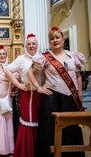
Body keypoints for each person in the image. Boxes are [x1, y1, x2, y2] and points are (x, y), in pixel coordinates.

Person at [28, 26, 86, 157]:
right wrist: (39, 88)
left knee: (71, 128)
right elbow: (30, 72)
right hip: (51, 98)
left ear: (63, 39)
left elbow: (77, 76)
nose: (55, 40)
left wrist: (80, 93)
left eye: (57, 37)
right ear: (49, 42)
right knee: (49, 130)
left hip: (70, 97)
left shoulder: (73, 56)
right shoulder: (45, 57)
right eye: (52, 38)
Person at [4, 33, 41, 157]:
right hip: (26, 95)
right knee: (28, 121)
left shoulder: (42, 57)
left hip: (41, 96)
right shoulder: (21, 59)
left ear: (37, 45)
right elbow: (7, 70)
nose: (31, 46)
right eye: (29, 44)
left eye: (33, 43)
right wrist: (18, 85)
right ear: (25, 45)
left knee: (40, 122)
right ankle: (26, 152)